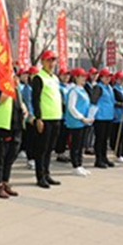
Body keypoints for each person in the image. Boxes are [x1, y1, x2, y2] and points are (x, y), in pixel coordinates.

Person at [0, 72, 25, 198]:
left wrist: (24, 108)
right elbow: (0, 99)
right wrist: (11, 85)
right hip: (0, 126)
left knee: (10, 156)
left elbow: (17, 101)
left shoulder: (13, 83)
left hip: (15, 125)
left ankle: (6, 182)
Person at [31, 50, 63, 188]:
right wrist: (38, 118)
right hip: (45, 119)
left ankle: (47, 173)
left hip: (56, 117)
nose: (51, 63)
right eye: (48, 60)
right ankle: (40, 176)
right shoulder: (39, 77)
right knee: (41, 149)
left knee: (50, 149)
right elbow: (35, 99)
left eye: (53, 60)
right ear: (42, 62)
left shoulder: (55, 78)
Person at [64, 68, 94, 177]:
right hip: (76, 122)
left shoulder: (82, 89)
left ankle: (80, 164)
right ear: (76, 77)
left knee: (81, 144)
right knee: (75, 144)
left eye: (85, 76)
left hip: (84, 121)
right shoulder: (74, 91)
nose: (84, 78)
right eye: (81, 76)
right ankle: (75, 166)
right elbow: (71, 107)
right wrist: (82, 118)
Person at [91, 68, 116, 169]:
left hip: (108, 116)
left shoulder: (109, 87)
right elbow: (93, 101)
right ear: (101, 78)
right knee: (100, 139)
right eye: (106, 77)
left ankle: (104, 157)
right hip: (100, 117)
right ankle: (98, 159)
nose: (108, 79)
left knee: (105, 139)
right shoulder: (98, 88)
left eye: (109, 77)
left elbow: (111, 101)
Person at [19, 68, 36, 170]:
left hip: (36, 116)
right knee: (30, 139)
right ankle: (30, 160)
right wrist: (30, 115)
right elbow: (28, 103)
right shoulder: (27, 88)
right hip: (30, 117)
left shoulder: (34, 87)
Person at [112, 71, 123, 163]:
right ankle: (118, 154)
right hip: (118, 115)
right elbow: (115, 102)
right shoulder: (115, 89)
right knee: (118, 136)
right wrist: (121, 104)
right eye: (120, 79)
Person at [55, 69, 72, 164]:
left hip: (69, 115)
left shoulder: (70, 87)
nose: (66, 77)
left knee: (66, 134)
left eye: (68, 75)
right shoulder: (58, 87)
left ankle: (64, 151)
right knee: (61, 134)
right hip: (61, 113)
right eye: (64, 75)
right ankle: (59, 152)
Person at [83, 67, 99, 156]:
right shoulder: (86, 86)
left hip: (94, 109)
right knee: (86, 129)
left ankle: (90, 145)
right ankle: (86, 146)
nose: (94, 76)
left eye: (96, 74)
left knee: (92, 129)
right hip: (86, 109)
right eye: (93, 74)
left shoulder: (97, 86)